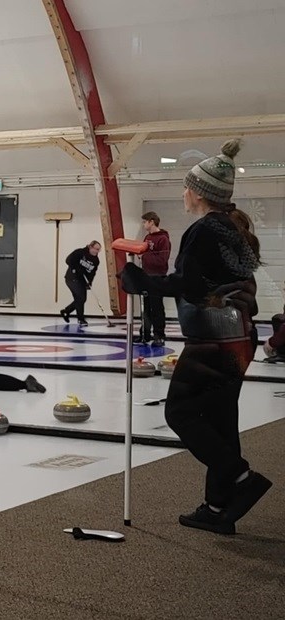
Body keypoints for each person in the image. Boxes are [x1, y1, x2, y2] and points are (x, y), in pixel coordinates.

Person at [121, 139, 271, 535]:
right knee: (220, 420)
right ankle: (218, 507)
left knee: (181, 412)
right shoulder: (229, 228)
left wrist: (141, 282)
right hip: (238, 336)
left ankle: (240, 479)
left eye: (187, 186)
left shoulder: (205, 229)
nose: (183, 193)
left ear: (201, 192)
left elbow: (188, 286)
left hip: (215, 340)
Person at [139, 212, 171, 346]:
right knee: (146, 307)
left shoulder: (163, 239)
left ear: (151, 222)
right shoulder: (147, 237)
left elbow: (162, 260)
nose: (143, 224)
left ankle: (159, 335)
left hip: (157, 277)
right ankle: (145, 334)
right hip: (146, 275)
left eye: (145, 221)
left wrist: (145, 256)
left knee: (156, 307)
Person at [60, 240, 101, 326]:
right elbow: (68, 260)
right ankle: (80, 319)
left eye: (98, 250)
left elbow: (92, 272)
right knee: (81, 298)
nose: (97, 251)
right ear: (90, 247)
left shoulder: (96, 260)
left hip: (82, 280)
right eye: (96, 249)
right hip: (72, 278)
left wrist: (89, 282)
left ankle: (66, 311)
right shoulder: (80, 252)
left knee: (81, 299)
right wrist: (78, 269)